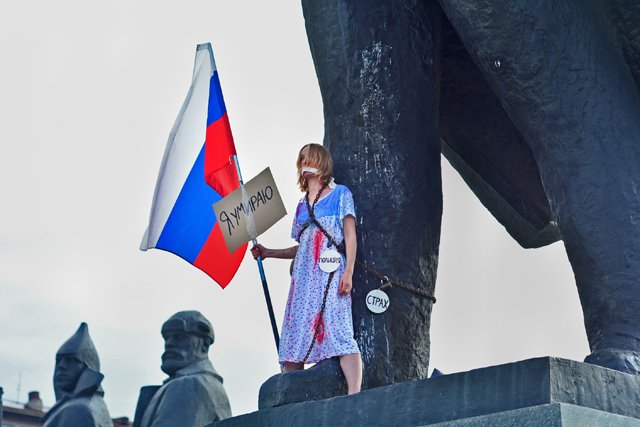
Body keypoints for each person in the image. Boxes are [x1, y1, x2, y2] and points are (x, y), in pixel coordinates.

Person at [251, 143, 363, 394]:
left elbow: (350, 235)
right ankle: (291, 396)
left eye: (309, 157)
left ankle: (354, 395)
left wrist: (349, 273)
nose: (305, 161)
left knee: (338, 329)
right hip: (303, 279)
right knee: (295, 333)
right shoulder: (302, 205)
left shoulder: (339, 194)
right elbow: (301, 248)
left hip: (330, 272)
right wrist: (268, 253)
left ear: (321, 161)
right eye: (301, 157)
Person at [134, 310, 231, 427]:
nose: (169, 343)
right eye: (167, 338)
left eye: (179, 336)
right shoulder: (194, 384)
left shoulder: (191, 384)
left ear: (204, 345)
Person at [43, 322, 113, 427]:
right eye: (58, 360)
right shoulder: (96, 406)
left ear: (88, 365)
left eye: (70, 360)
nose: (61, 366)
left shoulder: (77, 410)